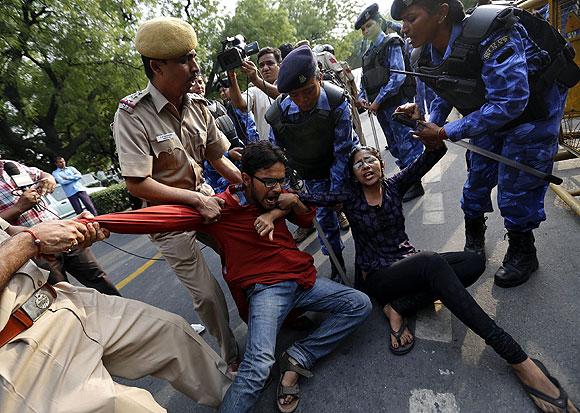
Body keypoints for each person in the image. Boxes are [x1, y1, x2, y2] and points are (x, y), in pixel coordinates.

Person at [83, 141, 372, 413]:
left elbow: (307, 219)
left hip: (303, 282)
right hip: (266, 293)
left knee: (360, 304)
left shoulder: (276, 199)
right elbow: (163, 217)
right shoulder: (218, 209)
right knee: (258, 367)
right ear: (246, 179)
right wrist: (97, 223)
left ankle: (300, 356)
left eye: (281, 180)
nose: (276, 188)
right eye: (269, 181)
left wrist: (289, 204)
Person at [299, 143, 578, 413]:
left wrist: (429, 134)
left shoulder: (395, 185)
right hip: (378, 276)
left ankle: (399, 306)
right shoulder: (349, 197)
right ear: (354, 175)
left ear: (382, 165)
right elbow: (307, 199)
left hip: (410, 264)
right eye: (358, 164)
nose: (365, 166)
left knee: (474, 261)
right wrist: (282, 201)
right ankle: (517, 358)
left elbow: (434, 154)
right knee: (432, 263)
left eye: (370, 160)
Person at [392, 0, 574, 287]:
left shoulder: (490, 33)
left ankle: (523, 251)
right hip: (488, 111)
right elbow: (448, 88)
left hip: (531, 112)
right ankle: (474, 238)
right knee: (477, 178)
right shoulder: (424, 51)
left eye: (411, 18)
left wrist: (444, 132)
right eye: (402, 20)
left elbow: (510, 101)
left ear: (440, 13)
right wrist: (425, 120)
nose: (404, 29)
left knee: (517, 189)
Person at [111, 17, 241, 370]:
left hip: (206, 201)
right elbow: (137, 183)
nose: (195, 67)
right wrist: (195, 199)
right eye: (185, 59)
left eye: (193, 57)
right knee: (208, 296)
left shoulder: (198, 105)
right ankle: (232, 357)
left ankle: (269, 319)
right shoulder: (132, 116)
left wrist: (251, 182)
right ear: (157, 66)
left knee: (246, 260)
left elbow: (218, 158)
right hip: (169, 217)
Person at [0, 216, 232, 412]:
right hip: (15, 347)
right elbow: (23, 242)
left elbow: (10, 235)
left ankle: (240, 400)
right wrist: (30, 242)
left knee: (170, 331)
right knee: (127, 406)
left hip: (59, 300)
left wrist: (61, 232)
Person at [266, 45, 359, 281]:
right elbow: (275, 155)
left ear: (319, 77)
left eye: (308, 91)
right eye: (294, 95)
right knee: (325, 222)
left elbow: (342, 151)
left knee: (359, 210)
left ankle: (368, 258)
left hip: (344, 163)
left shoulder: (337, 102)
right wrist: (285, 188)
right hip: (312, 172)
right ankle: (337, 262)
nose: (302, 100)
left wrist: (337, 194)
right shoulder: (278, 114)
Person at [0, 159, 120, 295]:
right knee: (62, 294)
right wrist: (18, 208)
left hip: (64, 231)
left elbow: (42, 175)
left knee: (98, 278)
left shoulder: (10, 165)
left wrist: (48, 179)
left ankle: (124, 312)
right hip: (37, 249)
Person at [354, 3, 425, 202]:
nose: (366, 30)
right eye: (363, 28)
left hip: (396, 103)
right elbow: (364, 82)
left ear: (378, 22)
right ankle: (407, 179)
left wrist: (377, 100)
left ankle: (414, 183)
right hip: (381, 107)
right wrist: (362, 98)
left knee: (406, 144)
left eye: (368, 25)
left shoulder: (391, 43)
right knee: (394, 145)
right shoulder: (367, 53)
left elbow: (397, 77)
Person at [191, 74, 258, 193]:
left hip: (234, 168)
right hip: (211, 179)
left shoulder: (218, 107)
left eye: (200, 82)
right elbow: (200, 153)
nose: (198, 86)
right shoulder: (187, 114)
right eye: (193, 82)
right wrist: (227, 155)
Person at [227, 46, 282, 140]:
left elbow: (283, 96)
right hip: (269, 152)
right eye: (261, 65)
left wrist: (256, 79)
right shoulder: (254, 90)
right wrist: (231, 75)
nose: (265, 68)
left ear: (279, 65)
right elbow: (240, 105)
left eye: (270, 63)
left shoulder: (289, 84)